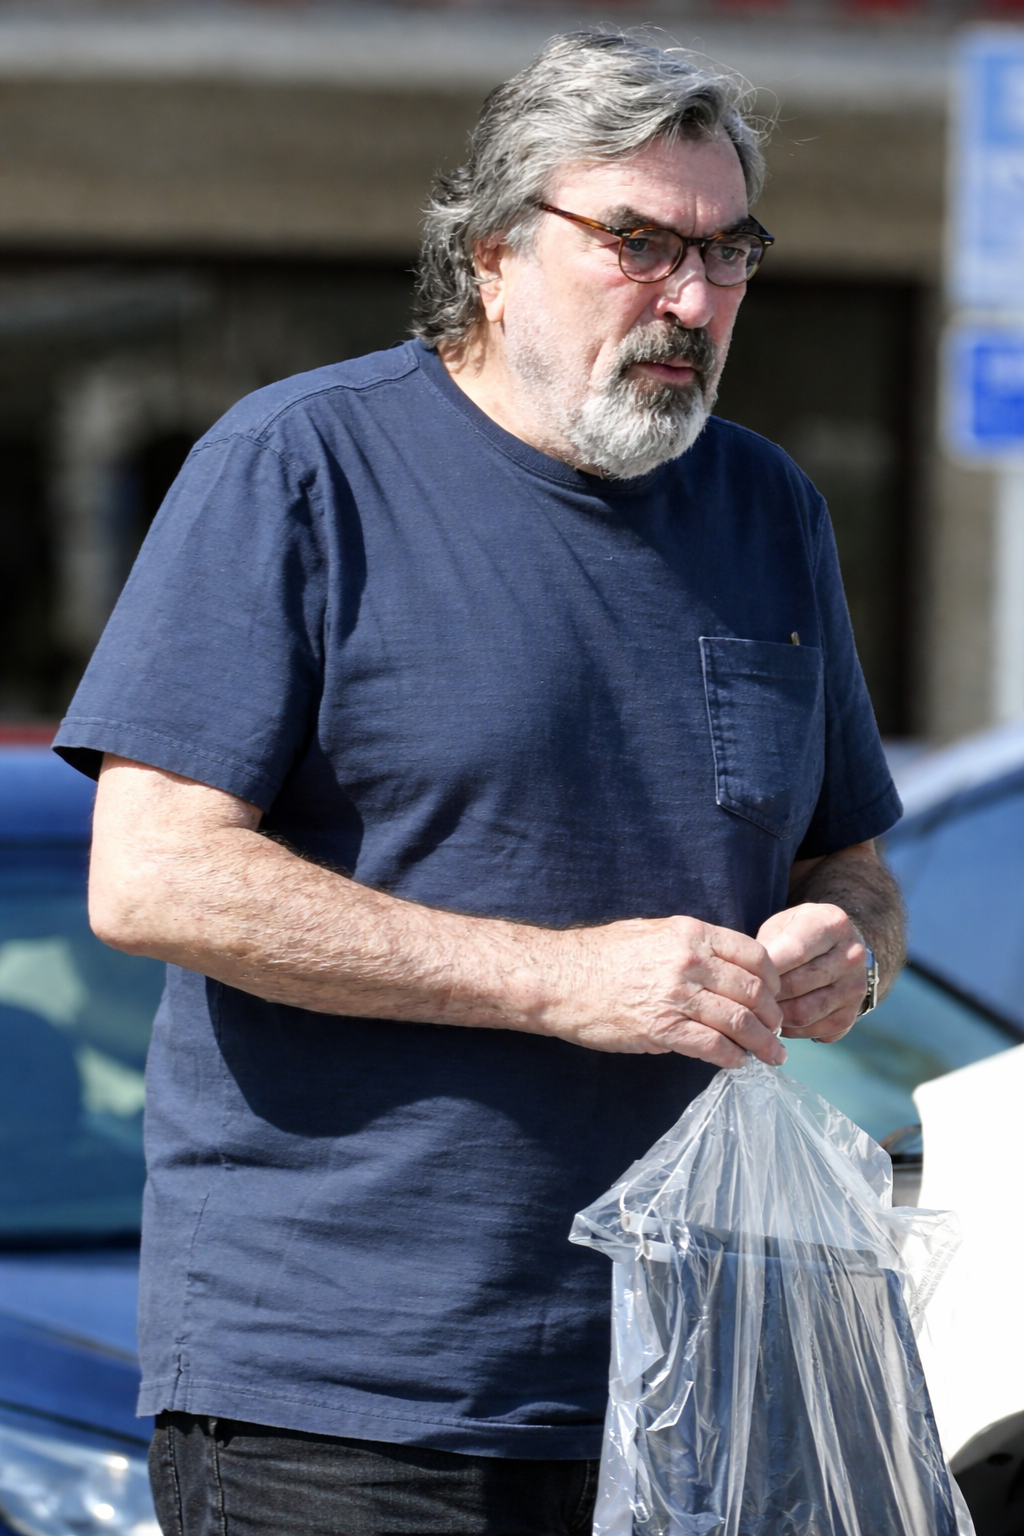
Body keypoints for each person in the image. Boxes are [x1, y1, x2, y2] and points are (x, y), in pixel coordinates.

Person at [54, 30, 905, 1536]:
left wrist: (850, 948)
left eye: (728, 253)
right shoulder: (302, 467)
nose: (692, 300)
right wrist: (558, 981)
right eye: (639, 243)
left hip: (695, 1383)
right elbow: (153, 875)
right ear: (495, 252)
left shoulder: (768, 507)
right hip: (349, 1405)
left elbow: (850, 863)